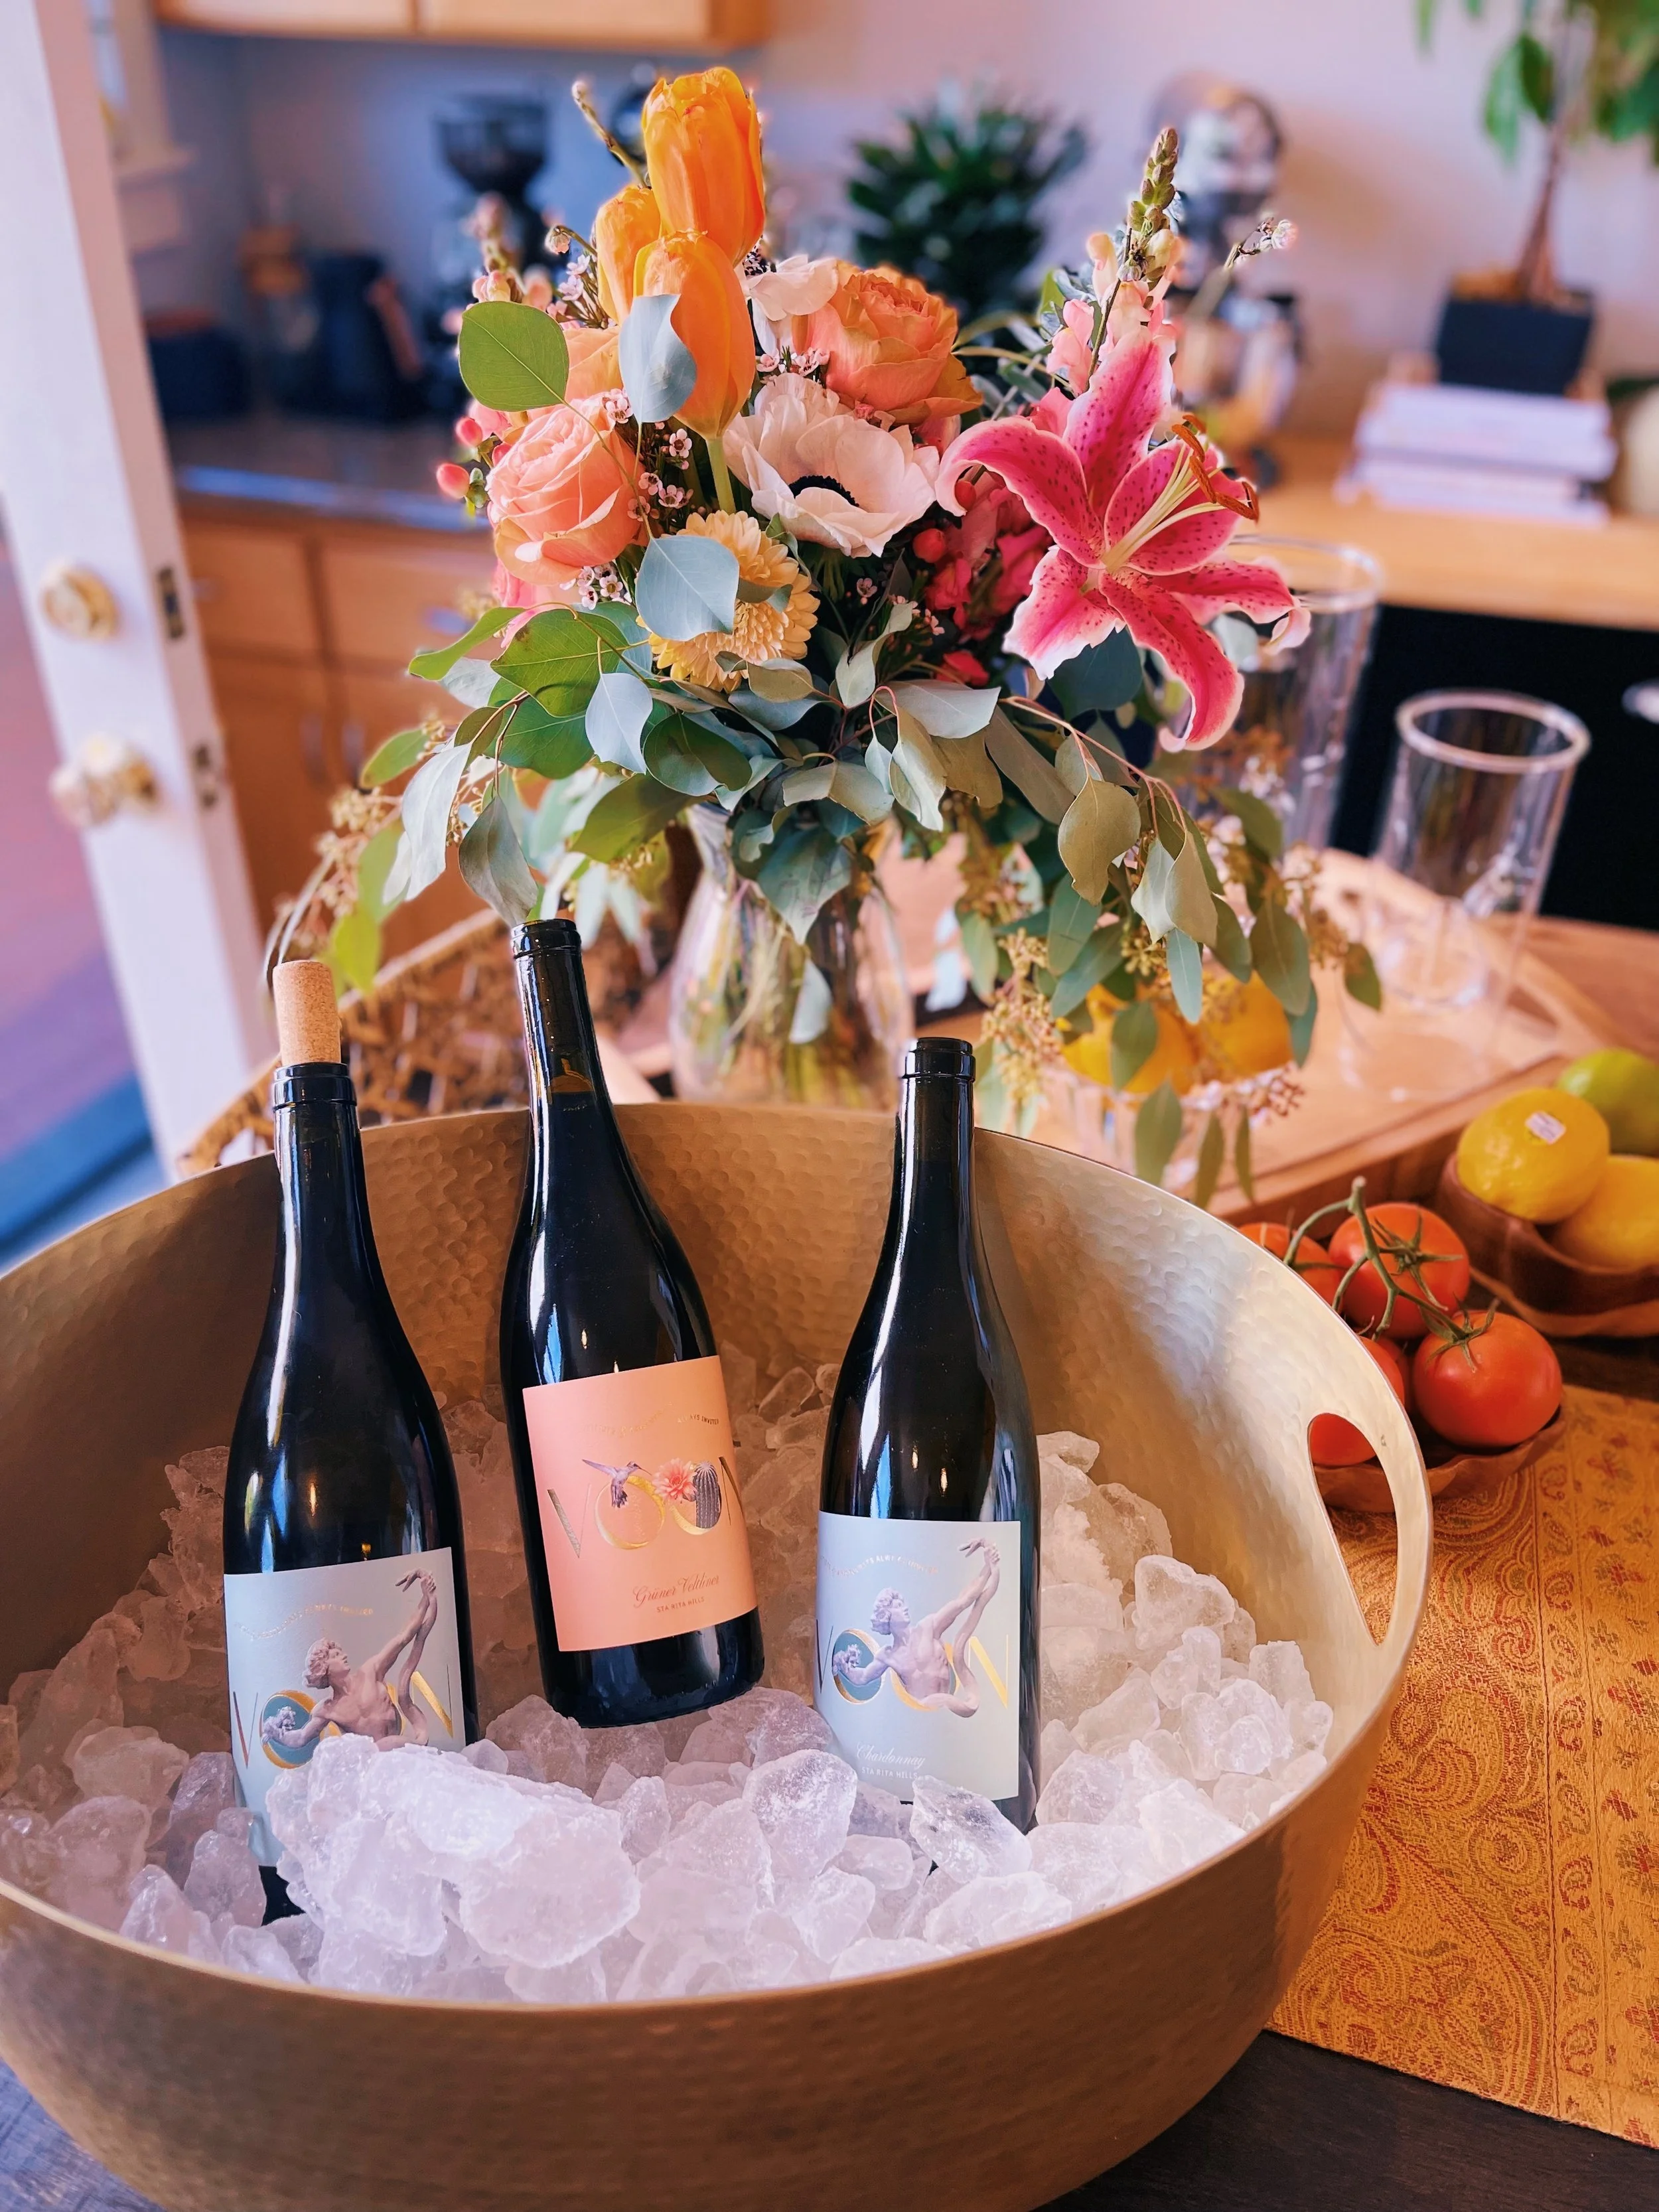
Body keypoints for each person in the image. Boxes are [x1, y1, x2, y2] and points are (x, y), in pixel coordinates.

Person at [261, 1569, 441, 1752]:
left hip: (402, 1754)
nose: (344, 1656)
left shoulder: (371, 1671)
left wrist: (427, 1598)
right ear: (324, 1668)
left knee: (388, 1745)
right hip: (373, 1769)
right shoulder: (328, 1710)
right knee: (378, 1748)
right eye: (336, 1656)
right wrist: (277, 1734)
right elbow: (301, 1738)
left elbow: (405, 1636)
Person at [832, 1537, 1000, 1716]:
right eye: (897, 1606)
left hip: (951, 1717)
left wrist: (989, 1568)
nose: (904, 1607)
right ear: (886, 1616)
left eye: (902, 1603)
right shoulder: (888, 1656)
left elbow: (963, 1601)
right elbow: (863, 1677)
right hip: (919, 1722)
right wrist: (844, 1666)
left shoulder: (929, 1627)